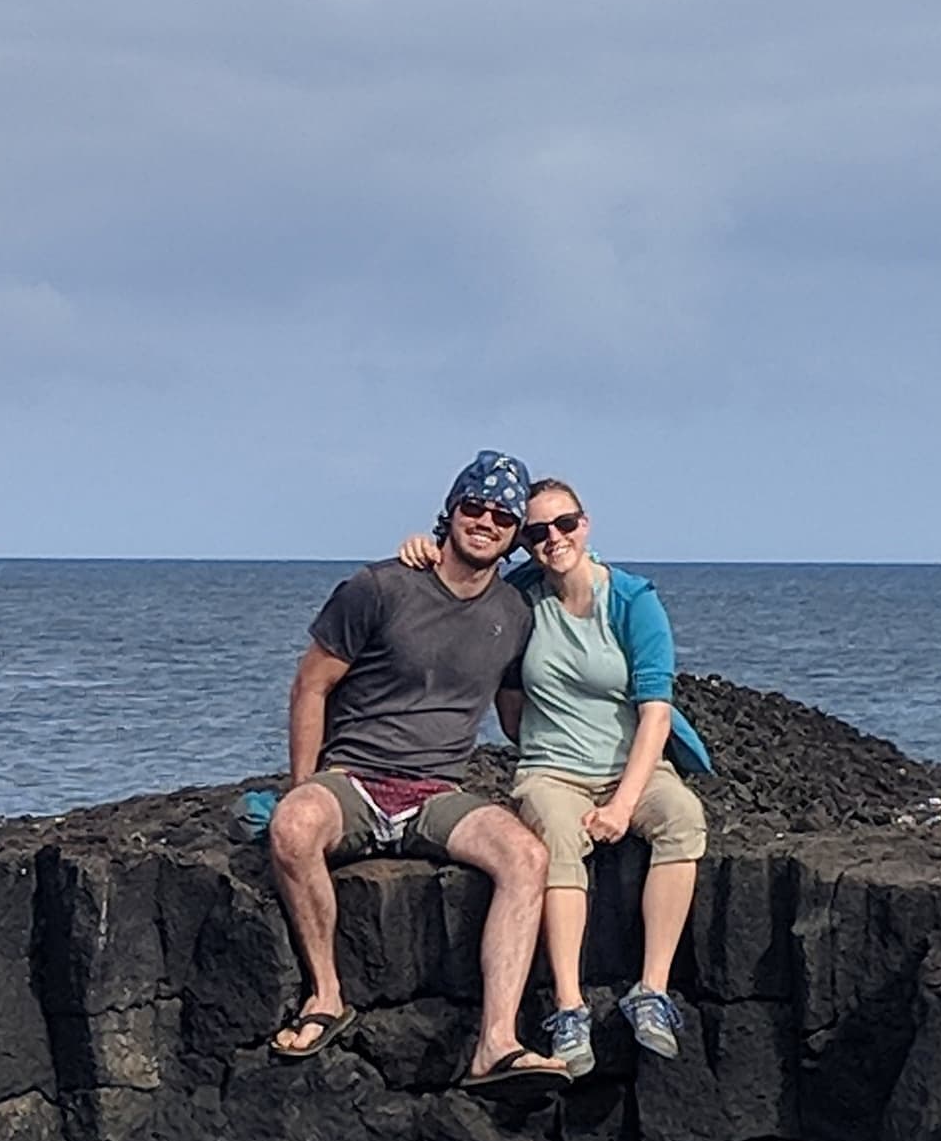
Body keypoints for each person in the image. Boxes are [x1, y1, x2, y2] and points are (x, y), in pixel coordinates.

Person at [262, 453, 563, 1091]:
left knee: (527, 859)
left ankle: (497, 1042)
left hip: (437, 792)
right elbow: (310, 686)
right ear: (450, 511)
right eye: (473, 507)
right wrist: (304, 783)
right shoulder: (380, 587)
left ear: (515, 534)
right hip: (355, 776)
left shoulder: (515, 614)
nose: (486, 521)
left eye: (503, 514)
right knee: (292, 828)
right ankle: (325, 996)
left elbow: (518, 720)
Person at [394, 475, 710, 1074]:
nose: (553, 539)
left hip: (631, 766)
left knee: (683, 818)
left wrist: (622, 805)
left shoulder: (633, 600)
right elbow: (465, 602)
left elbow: (655, 714)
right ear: (524, 543)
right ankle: (569, 1007)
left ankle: (652, 990)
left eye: (564, 525)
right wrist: (424, 553)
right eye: (536, 532)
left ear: (585, 524)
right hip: (551, 771)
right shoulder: (520, 600)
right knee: (558, 839)